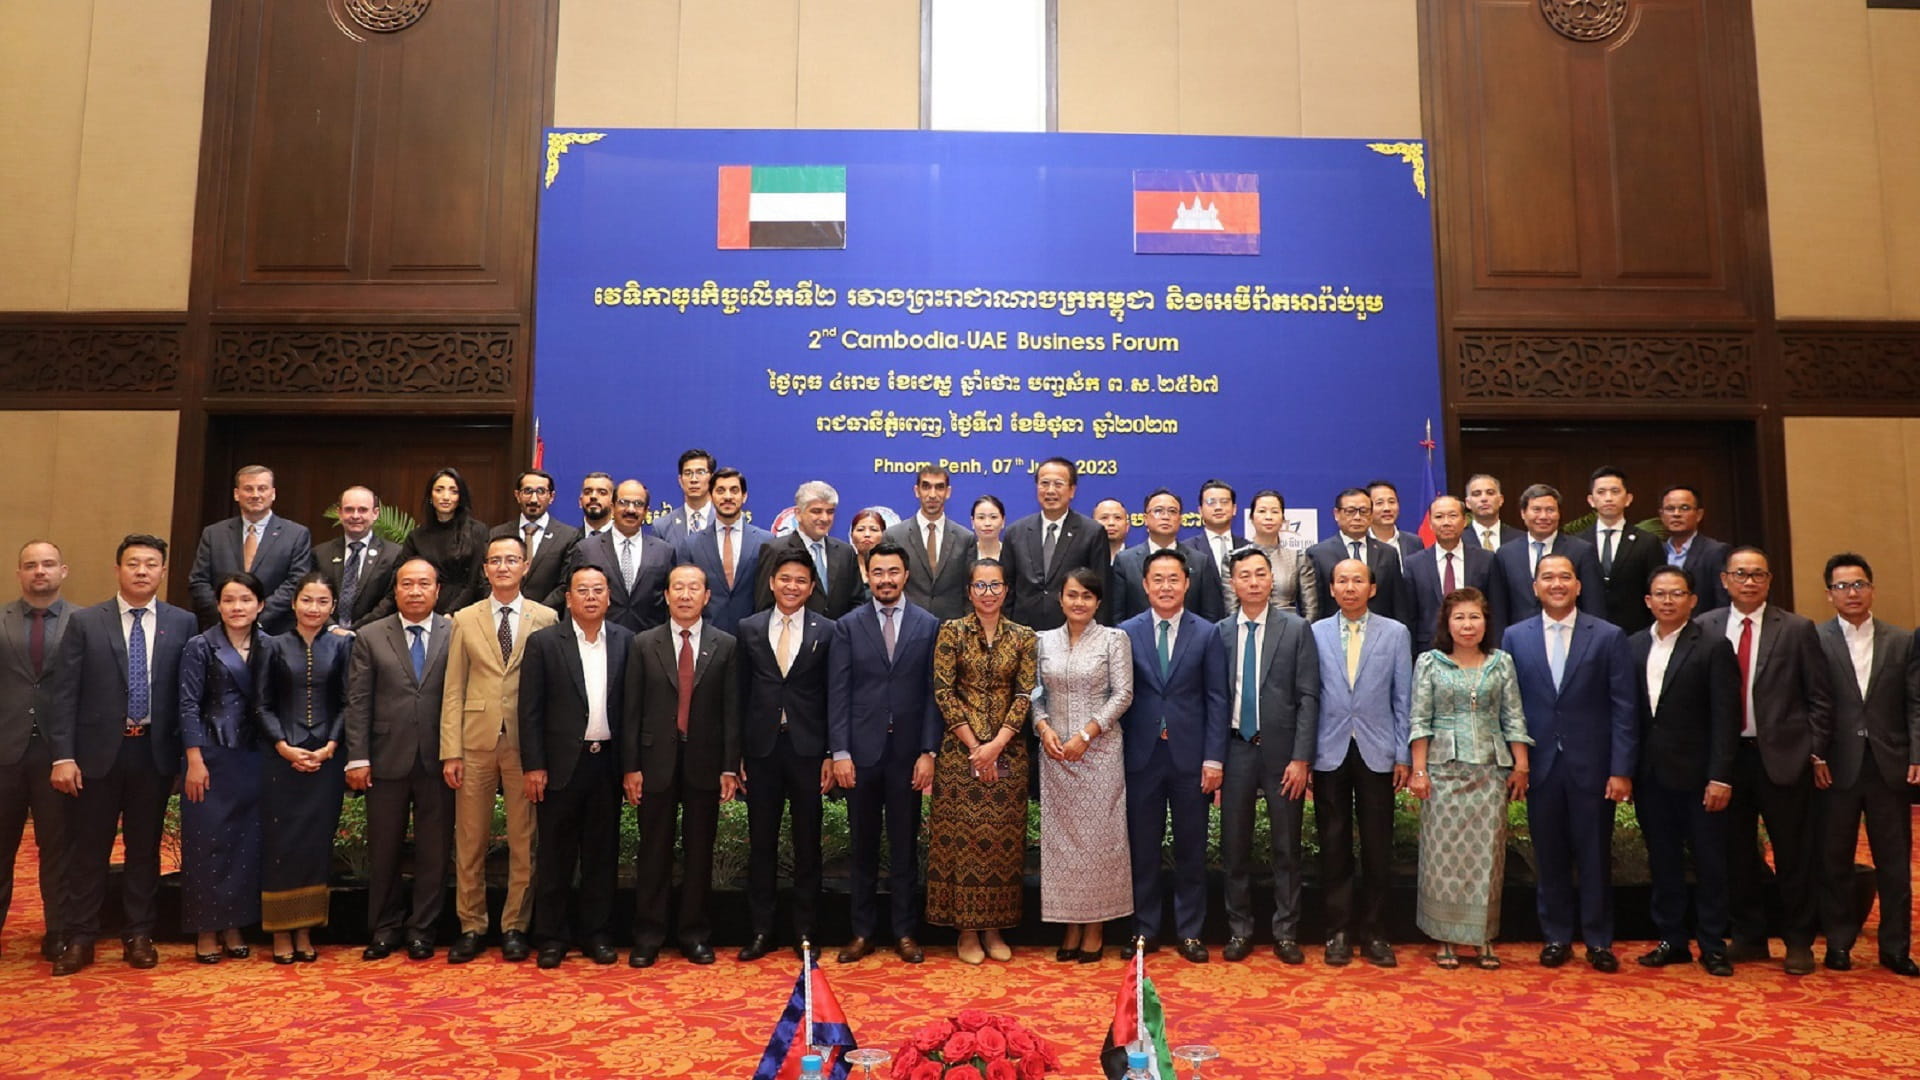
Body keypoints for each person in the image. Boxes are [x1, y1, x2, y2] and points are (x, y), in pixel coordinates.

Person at [47, 534, 197, 976]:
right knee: (88, 850)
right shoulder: (87, 622)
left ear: (162, 571)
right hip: (95, 755)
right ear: (118, 569)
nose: (142, 571)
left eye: (151, 564)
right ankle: (81, 937)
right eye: (133, 563)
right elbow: (64, 695)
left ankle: (139, 934)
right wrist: (63, 755)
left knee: (144, 850)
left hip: (152, 753)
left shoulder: (182, 622)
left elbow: (186, 695)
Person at [1694, 545, 1832, 975]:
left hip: (1783, 757)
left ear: (1769, 580)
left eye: (1757, 574)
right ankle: (1750, 936)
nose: (1749, 581)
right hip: (1728, 760)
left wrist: (1814, 750)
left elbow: (1820, 698)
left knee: (1794, 854)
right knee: (1735, 854)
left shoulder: (1796, 628)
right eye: (1740, 574)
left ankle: (1798, 941)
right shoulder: (1704, 627)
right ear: (1724, 580)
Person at [1505, 553, 1637, 973]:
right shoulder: (1514, 636)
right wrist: (1515, 762)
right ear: (1535, 587)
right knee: (1549, 854)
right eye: (1548, 577)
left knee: (1595, 854)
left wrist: (1621, 769)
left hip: (1593, 766)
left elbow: (1624, 708)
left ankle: (1598, 940)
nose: (1557, 584)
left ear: (1579, 586)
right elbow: (1510, 708)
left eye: (1565, 577)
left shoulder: (1608, 636)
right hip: (1538, 765)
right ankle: (1557, 935)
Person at [439, 534, 557, 964]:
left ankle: (515, 926)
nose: (504, 567)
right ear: (485, 569)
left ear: (525, 566)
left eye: (512, 560)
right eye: (495, 561)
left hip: (525, 744)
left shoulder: (546, 617)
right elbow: (453, 689)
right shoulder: (464, 619)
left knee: (525, 839)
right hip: (474, 741)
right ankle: (471, 925)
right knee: (470, 838)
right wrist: (450, 749)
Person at [827, 541, 941, 964]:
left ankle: (905, 932)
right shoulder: (848, 626)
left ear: (905, 575)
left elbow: (934, 695)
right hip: (860, 753)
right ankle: (861, 932)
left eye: (893, 572)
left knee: (904, 847)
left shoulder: (929, 625)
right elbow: (837, 694)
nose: (886, 580)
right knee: (862, 847)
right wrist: (839, 751)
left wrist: (929, 750)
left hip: (908, 755)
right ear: (867, 575)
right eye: (878, 573)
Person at [622, 564, 741, 967]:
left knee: (698, 853)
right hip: (654, 762)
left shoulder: (725, 644)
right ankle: (648, 935)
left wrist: (729, 766)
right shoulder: (643, 643)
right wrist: (631, 767)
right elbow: (631, 711)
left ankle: (694, 934)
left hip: (705, 763)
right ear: (667, 596)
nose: (686, 595)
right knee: (653, 851)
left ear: (707, 596)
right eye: (679, 588)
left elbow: (731, 713)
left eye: (694, 588)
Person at [1409, 587, 1531, 969]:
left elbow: (1513, 716)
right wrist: (1419, 770)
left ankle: (1482, 939)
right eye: (1459, 618)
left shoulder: (1501, 663)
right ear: (1447, 623)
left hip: (1490, 772)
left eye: (1474, 617)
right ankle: (1445, 938)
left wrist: (1521, 765)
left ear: (1486, 622)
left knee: (1486, 858)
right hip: (1443, 772)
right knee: (1442, 857)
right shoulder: (1430, 662)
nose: (1467, 625)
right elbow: (1419, 719)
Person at [519, 564, 632, 969]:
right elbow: (528, 711)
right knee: (555, 856)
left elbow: (631, 711)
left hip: (607, 763)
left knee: (602, 856)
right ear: (568, 598)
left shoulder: (625, 641)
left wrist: (630, 767)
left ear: (608, 597)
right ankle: (551, 936)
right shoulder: (544, 643)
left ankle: (596, 934)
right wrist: (534, 765)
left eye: (597, 590)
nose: (590, 596)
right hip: (560, 766)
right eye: (581, 590)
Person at [343, 558, 455, 962]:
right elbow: (357, 702)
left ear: (437, 590)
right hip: (385, 758)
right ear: (395, 590)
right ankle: (385, 929)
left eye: (424, 584)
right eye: (407, 584)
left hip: (439, 760)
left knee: (434, 852)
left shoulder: (453, 631)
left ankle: (423, 930)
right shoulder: (371, 636)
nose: (415, 591)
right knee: (385, 850)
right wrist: (357, 757)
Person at [1630, 566, 1740, 977]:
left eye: (1677, 594)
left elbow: (1725, 717)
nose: (1668, 601)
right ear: (1648, 601)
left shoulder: (1713, 646)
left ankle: (1712, 944)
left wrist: (1720, 776)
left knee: (1710, 862)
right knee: (1663, 861)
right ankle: (1672, 939)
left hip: (1700, 778)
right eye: (1660, 594)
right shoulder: (1634, 646)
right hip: (1651, 776)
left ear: (1692, 600)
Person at [1118, 550, 1227, 963]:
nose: (1165, 587)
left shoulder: (1207, 633)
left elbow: (1217, 699)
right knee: (1141, 849)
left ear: (1187, 583)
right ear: (1145, 585)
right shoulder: (1125, 632)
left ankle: (1191, 932)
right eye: (1157, 579)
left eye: (1173, 579)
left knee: (1191, 848)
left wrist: (1214, 758)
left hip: (1190, 757)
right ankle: (1143, 931)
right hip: (1142, 757)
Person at [928, 558, 1038, 964]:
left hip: (1008, 756)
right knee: (964, 844)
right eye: (980, 586)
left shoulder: (1024, 637)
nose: (987, 594)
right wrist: (976, 746)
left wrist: (997, 745)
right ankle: (967, 931)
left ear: (1006, 590)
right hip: (960, 755)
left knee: (1001, 846)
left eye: (995, 586)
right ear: (969, 591)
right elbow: (943, 691)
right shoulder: (951, 632)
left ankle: (995, 927)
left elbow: (1026, 693)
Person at [1815, 553, 1919, 976]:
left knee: (1894, 861)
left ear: (1872, 589)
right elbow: (1811, 703)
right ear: (1829, 595)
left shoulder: (1902, 640)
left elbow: (1915, 703)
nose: (1851, 593)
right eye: (1842, 586)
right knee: (1834, 858)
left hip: (1887, 764)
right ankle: (1839, 943)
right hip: (1835, 766)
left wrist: (1917, 754)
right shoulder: (1814, 638)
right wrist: (1815, 755)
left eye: (1859, 584)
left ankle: (1895, 948)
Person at [1216, 548, 1320, 964]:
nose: (1255, 581)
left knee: (1285, 848)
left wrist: (1302, 758)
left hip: (1282, 756)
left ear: (1272, 579)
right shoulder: (1219, 632)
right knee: (1234, 847)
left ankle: (1286, 932)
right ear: (1234, 583)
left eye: (1262, 573)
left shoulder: (1296, 629)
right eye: (1246, 575)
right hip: (1235, 750)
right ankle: (1239, 930)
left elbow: (1309, 697)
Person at [1311, 558, 1412, 968]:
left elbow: (1404, 698)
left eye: (1358, 580)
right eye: (1342, 580)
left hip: (1379, 750)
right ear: (1331, 589)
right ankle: (1337, 931)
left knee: (1376, 845)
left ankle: (1374, 932)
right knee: (1333, 845)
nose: (1350, 587)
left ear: (1372, 588)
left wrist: (1404, 753)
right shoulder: (1313, 632)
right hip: (1328, 749)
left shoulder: (1396, 633)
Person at [736, 551, 834, 961]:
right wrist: (736, 753)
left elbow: (834, 695)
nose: (792, 586)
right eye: (785, 579)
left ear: (811, 588)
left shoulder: (827, 631)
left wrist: (831, 752)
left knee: (807, 845)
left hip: (808, 751)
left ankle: (806, 933)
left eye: (801, 581)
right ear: (773, 582)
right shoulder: (749, 628)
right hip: (761, 750)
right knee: (762, 843)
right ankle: (762, 931)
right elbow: (738, 694)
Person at [1032, 567, 1133, 962]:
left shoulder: (1113, 639)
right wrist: (1043, 728)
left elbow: (1123, 694)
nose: (1079, 602)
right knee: (1063, 846)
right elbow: (1032, 694)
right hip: (1056, 754)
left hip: (1100, 754)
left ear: (1098, 602)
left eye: (1087, 597)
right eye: (1072, 595)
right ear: (1061, 598)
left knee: (1098, 844)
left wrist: (1087, 734)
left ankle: (1096, 928)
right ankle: (1069, 926)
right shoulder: (1042, 642)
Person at [177, 571, 270, 963]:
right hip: (212, 756)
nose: (237, 607)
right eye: (229, 600)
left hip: (256, 756)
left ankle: (234, 924)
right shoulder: (201, 646)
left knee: (245, 845)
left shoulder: (271, 645)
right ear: (218, 605)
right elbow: (187, 705)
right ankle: (205, 927)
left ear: (260, 605)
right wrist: (193, 759)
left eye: (245, 600)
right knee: (207, 843)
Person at [258, 571, 350, 964]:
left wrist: (330, 746)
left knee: (316, 844)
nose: (314, 608)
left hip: (327, 759)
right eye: (307, 600)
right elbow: (260, 704)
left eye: (323, 602)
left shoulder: (342, 646)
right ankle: (280, 931)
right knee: (282, 844)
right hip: (282, 759)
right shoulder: (273, 646)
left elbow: (348, 701)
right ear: (294, 604)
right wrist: (283, 746)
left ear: (333, 607)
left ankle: (306, 928)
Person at [2, 541, 71, 962]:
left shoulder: (86, 622)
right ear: (19, 574)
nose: (39, 572)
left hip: (57, 753)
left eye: (47, 565)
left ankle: (60, 933)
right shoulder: (2, 619)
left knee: (59, 849)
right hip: (4, 751)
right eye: (30, 565)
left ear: (64, 570)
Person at [188, 464, 313, 634]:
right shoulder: (214, 533)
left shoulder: (296, 534)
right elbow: (199, 581)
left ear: (273, 493)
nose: (255, 495)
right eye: (248, 489)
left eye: (262, 489)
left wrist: (256, 617)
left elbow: (296, 582)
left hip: (274, 632)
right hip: (221, 632)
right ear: (236, 494)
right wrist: (227, 615)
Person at [1001, 458, 1112, 630]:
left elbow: (1102, 591)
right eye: (1044, 483)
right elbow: (1007, 591)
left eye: (1058, 484)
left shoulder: (1092, 532)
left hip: (1073, 632)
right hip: (1022, 634)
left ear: (1072, 490)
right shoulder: (1016, 532)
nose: (1050, 490)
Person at [673, 467, 771, 635]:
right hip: (707, 639)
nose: (727, 497)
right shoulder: (691, 544)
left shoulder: (766, 542)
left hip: (754, 638)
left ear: (744, 496)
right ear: (711, 496)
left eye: (734, 491)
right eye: (720, 491)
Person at [1492, 484, 1607, 623]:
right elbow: (1499, 608)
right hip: (1520, 639)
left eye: (1550, 510)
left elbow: (1593, 604)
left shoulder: (1582, 551)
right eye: (1536, 510)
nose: (1543, 516)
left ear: (1559, 513)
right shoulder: (1506, 553)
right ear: (1523, 513)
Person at [569, 480, 673, 632]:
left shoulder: (664, 551)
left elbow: (669, 604)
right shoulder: (586, 549)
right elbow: (574, 601)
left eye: (638, 504)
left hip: (650, 643)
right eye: (624, 502)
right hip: (600, 640)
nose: (630, 509)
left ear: (645, 511)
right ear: (612, 507)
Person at [1405, 496, 1505, 653]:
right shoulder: (1413, 564)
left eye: (1452, 516)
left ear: (1465, 521)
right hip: (1429, 650)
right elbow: (1410, 617)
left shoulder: (1486, 559)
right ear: (1430, 524)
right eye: (1439, 517)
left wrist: (1493, 650)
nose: (1446, 522)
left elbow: (1497, 611)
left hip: (1477, 649)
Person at [1307, 488, 1414, 630]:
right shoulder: (1318, 553)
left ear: (1371, 515)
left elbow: (1398, 604)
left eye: (1363, 511)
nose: (1357, 517)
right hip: (1334, 634)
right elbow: (1315, 606)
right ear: (1336, 514)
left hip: (1380, 634)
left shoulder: (1388, 553)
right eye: (1350, 511)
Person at [1111, 489, 1224, 623]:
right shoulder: (1125, 561)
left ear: (1180, 519)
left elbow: (1210, 616)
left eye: (1172, 511)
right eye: (1158, 511)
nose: (1166, 516)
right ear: (1145, 519)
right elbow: (1116, 616)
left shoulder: (1200, 561)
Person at [755, 481, 861, 618]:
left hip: (838, 636)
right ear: (798, 514)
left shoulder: (845, 552)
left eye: (830, 512)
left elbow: (857, 602)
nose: (824, 518)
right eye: (816, 511)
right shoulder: (775, 550)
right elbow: (764, 606)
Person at [1575, 467, 1662, 634]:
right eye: (1601, 492)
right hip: (1587, 631)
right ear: (1591, 500)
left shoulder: (1647, 542)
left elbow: (1655, 588)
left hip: (1635, 631)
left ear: (1628, 499)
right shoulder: (1578, 542)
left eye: (1615, 491)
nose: (1608, 498)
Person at [886, 466, 978, 620]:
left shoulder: (965, 538)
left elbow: (968, 591)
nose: (932, 494)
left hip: (952, 630)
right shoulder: (894, 536)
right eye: (926, 487)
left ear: (948, 492)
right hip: (907, 626)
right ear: (917, 491)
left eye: (939, 487)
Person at [393, 467, 489, 615]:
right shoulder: (417, 536)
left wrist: (451, 614)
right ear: (430, 496)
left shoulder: (477, 531)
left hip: (466, 611)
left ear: (460, 497)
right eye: (439, 490)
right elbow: (400, 577)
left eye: (453, 491)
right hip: (424, 610)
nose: (446, 496)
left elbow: (475, 582)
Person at [311, 485, 399, 630]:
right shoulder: (320, 553)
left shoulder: (393, 554)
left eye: (363, 510)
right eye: (349, 509)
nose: (355, 516)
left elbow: (389, 600)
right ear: (340, 513)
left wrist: (356, 630)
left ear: (375, 513)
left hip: (373, 636)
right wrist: (333, 627)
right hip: (327, 636)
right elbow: (312, 594)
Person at [494, 469, 580, 608]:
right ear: (517, 495)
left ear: (551, 497)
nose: (533, 499)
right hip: (503, 614)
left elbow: (566, 584)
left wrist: (537, 613)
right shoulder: (497, 534)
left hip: (547, 620)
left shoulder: (568, 536)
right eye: (527, 491)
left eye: (540, 491)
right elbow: (486, 579)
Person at [1243, 489, 1318, 620]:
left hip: (1290, 629)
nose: (1268, 517)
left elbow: (1310, 609)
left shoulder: (1298, 558)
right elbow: (1232, 609)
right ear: (1251, 517)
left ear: (1283, 519)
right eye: (1262, 511)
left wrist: (1301, 635)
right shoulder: (1236, 559)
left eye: (1275, 511)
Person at [1659, 485, 1731, 612]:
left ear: (1699, 514)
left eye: (1684, 508)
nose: (1676, 514)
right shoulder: (1655, 551)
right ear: (1662, 515)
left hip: (1702, 628)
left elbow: (1723, 602)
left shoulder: (1716, 551)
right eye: (1670, 509)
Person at [1185, 479, 1247, 615]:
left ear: (1234, 509)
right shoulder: (1186, 550)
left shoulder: (1248, 548)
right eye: (1211, 502)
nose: (1218, 507)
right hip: (1201, 628)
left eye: (1224, 502)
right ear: (1200, 510)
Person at [652, 448, 718, 545]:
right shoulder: (662, 526)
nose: (693, 479)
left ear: (712, 478)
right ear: (680, 480)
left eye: (700, 472)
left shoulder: (726, 521)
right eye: (688, 473)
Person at [1366, 480, 1425, 559]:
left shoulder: (1414, 542)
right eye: (1379, 503)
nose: (1387, 508)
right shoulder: (1360, 542)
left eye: (1392, 502)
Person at [1461, 473, 1521, 550]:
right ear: (1468, 503)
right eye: (1477, 494)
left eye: (1490, 493)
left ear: (1501, 500)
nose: (1484, 498)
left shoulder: (1519, 538)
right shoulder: (1458, 539)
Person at [846, 506, 889, 604]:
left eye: (874, 530)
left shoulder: (892, 568)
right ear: (852, 536)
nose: (867, 534)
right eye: (860, 530)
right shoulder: (845, 567)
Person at [576, 472, 616, 541]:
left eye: (602, 493)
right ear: (580, 501)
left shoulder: (625, 541)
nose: (593, 496)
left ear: (613, 502)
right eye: (587, 492)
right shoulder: (569, 541)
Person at [1092, 497, 1131, 562]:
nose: (1111, 523)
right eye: (1104, 518)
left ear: (1127, 526)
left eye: (1117, 517)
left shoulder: (1139, 561)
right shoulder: (1083, 560)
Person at [971, 495, 1006, 562]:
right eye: (981, 517)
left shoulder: (1012, 556)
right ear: (972, 522)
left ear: (1003, 521)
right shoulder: (964, 556)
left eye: (993, 517)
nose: (987, 523)